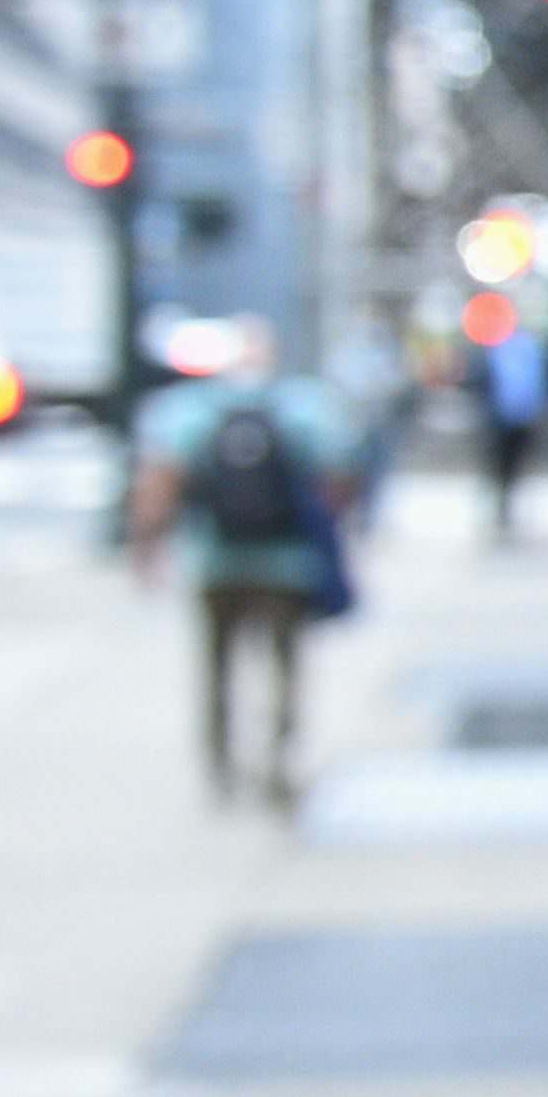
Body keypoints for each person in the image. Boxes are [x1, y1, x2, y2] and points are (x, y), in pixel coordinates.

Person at [128, 324, 377, 810]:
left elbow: (160, 483)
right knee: (284, 667)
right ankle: (277, 761)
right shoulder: (303, 406)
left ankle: (220, 766)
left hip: (214, 562)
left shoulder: (190, 410)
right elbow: (341, 474)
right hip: (287, 564)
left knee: (217, 667)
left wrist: (146, 554)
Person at [477, 315, 548, 538]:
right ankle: (503, 505)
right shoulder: (507, 350)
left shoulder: (524, 350)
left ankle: (506, 505)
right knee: (504, 464)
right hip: (506, 417)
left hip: (519, 416)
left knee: (511, 464)